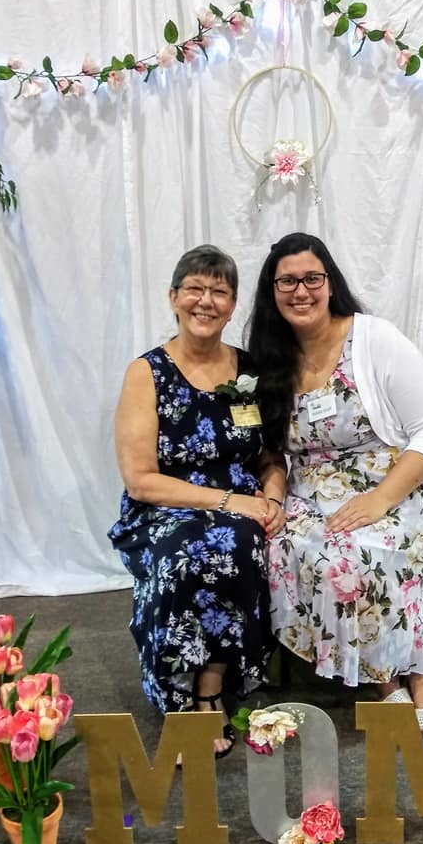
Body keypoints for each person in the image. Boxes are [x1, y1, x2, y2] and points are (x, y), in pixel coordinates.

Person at [248, 233, 423, 735]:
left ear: (330, 283)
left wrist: (380, 499)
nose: (301, 291)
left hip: (398, 478)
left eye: (312, 278)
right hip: (313, 491)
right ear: (272, 290)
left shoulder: (373, 339)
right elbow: (270, 451)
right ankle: (383, 672)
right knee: (317, 552)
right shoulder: (269, 357)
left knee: (385, 545)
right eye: (287, 281)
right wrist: (273, 497)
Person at [109, 245, 286, 756]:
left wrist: (272, 496)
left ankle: (210, 688)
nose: (206, 301)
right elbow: (140, 480)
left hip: (239, 508)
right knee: (183, 554)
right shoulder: (146, 372)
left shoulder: (249, 372)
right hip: (163, 507)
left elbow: (271, 456)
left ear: (232, 307)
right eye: (195, 288)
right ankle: (176, 691)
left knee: (238, 544)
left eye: (219, 292)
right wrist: (229, 501)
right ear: (173, 297)